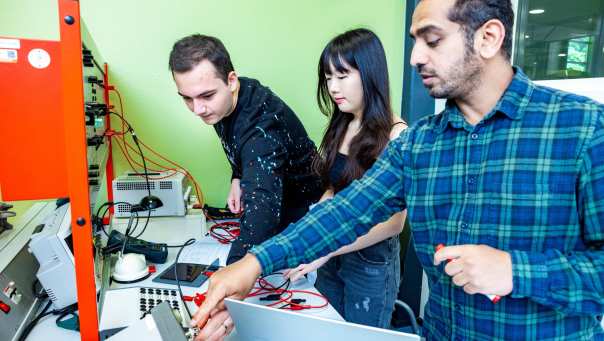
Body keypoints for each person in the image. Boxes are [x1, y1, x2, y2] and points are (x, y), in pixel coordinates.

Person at [191, 0, 604, 340]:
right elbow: (345, 212)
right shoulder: (420, 144)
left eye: (432, 40)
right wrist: (253, 264)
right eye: (414, 42)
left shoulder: (584, 128)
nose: (414, 58)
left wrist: (516, 272)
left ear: (489, 38)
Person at [283, 28, 407, 328]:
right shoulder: (343, 123)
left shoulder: (397, 134)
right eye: (328, 78)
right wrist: (309, 236)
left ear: (370, 73)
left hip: (370, 263)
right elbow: (333, 188)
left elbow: (394, 223)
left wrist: (326, 247)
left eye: (342, 75)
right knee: (327, 329)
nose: (333, 87)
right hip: (333, 251)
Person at [169, 34, 323, 264]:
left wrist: (231, 273)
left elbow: (262, 216)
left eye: (206, 96)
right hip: (282, 213)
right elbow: (240, 145)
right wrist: (237, 177)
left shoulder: (261, 130)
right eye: (187, 99)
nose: (198, 109)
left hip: (311, 223)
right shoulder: (228, 100)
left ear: (231, 81)